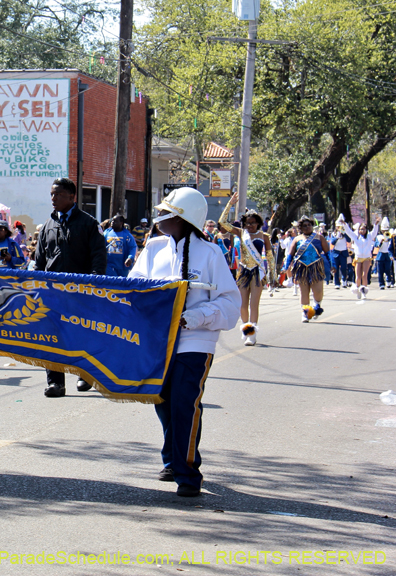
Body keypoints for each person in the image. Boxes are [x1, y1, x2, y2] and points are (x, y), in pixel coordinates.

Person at [129, 187, 239, 497]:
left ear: (184, 218)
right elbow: (133, 290)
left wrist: (193, 317)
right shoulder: (152, 249)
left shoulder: (211, 253)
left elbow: (230, 307)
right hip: (157, 342)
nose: (159, 217)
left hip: (195, 343)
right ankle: (173, 457)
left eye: (167, 213)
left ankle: (188, 472)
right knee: (162, 401)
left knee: (184, 404)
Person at [34, 178, 107, 397]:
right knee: (52, 337)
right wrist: (38, 286)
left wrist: (93, 285)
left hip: (81, 293)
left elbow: (98, 256)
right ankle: (56, 382)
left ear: (72, 197)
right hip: (53, 294)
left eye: (58, 194)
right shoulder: (48, 226)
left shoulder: (88, 223)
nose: (53, 199)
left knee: (81, 334)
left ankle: (85, 375)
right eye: (52, 194)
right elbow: (39, 261)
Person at [218, 193, 273, 346]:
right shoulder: (241, 233)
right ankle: (247, 329)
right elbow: (222, 222)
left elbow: (270, 257)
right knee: (242, 303)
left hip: (257, 272)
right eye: (248, 223)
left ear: (258, 223)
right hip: (243, 272)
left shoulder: (264, 236)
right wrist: (230, 204)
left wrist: (273, 276)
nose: (250, 226)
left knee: (254, 303)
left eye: (253, 223)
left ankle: (252, 334)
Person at [284, 217, 331, 322]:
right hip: (302, 268)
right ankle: (305, 313)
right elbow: (290, 255)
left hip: (316, 267)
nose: (307, 227)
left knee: (318, 291)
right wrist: (286, 267)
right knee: (303, 291)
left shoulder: (319, 238)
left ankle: (316, 305)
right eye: (304, 226)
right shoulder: (297, 239)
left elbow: (328, 253)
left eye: (309, 225)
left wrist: (332, 265)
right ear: (300, 228)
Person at [339, 215, 380, 299]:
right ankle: (357, 290)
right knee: (358, 276)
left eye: (364, 229)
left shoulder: (369, 237)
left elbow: (375, 231)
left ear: (366, 230)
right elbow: (349, 232)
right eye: (361, 229)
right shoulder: (355, 236)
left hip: (367, 258)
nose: (362, 231)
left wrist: (376, 224)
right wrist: (344, 224)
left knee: (364, 275)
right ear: (359, 230)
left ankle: (364, 291)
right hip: (358, 258)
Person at [328, 224, 350, 289]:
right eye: (338, 227)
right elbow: (332, 242)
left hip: (343, 253)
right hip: (336, 253)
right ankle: (337, 283)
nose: (340, 228)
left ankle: (344, 281)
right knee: (336, 269)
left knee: (344, 268)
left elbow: (349, 240)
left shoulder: (345, 234)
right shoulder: (334, 234)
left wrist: (344, 233)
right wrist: (337, 237)